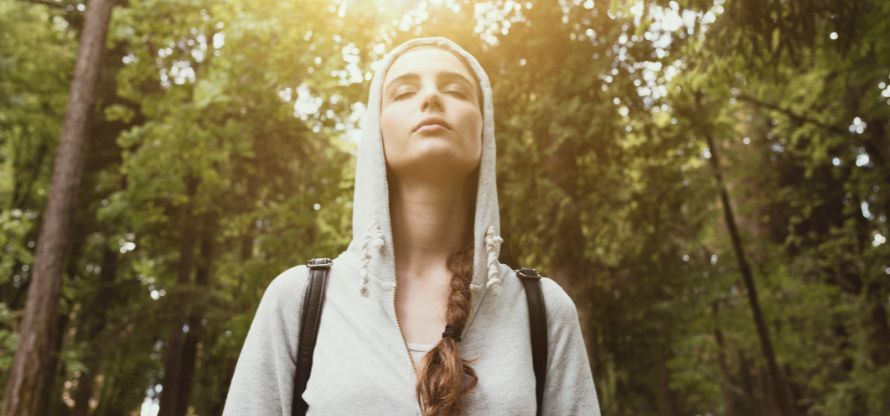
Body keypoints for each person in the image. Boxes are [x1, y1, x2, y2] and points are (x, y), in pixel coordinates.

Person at [222, 36, 601, 416]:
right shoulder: (300, 299)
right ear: (377, 130)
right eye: (403, 92)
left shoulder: (543, 309)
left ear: (483, 130)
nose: (431, 98)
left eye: (455, 90)